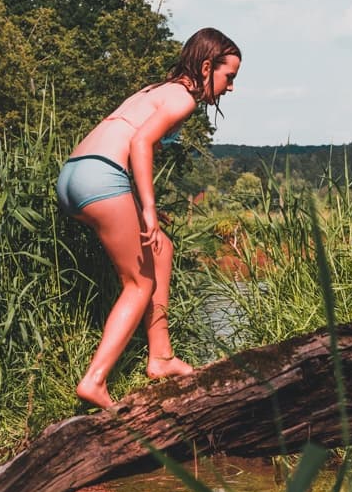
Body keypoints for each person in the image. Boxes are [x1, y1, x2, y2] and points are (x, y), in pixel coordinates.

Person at [56, 28, 242, 409]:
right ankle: (94, 380)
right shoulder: (182, 99)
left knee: (161, 249)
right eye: (229, 77)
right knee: (138, 284)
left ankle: (160, 355)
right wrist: (149, 209)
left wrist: (144, 213)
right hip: (102, 176)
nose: (231, 87)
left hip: (73, 174)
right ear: (207, 67)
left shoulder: (154, 90)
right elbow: (140, 142)